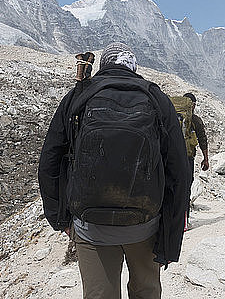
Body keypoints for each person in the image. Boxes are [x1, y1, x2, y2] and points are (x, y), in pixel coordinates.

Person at [38, 42, 189, 299]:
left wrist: (60, 219)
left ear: (102, 66)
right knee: (146, 292)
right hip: (146, 225)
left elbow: (50, 162)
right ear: (133, 67)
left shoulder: (79, 97)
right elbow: (179, 172)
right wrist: (170, 234)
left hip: (90, 227)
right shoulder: (157, 99)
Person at [183, 92, 209, 173]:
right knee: (187, 181)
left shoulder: (171, 116)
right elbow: (202, 140)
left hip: (170, 156)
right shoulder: (195, 120)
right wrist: (205, 159)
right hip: (187, 157)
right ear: (193, 105)